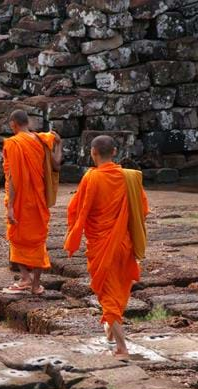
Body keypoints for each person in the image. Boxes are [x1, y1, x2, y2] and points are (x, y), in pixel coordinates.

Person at [64, 135, 149, 360]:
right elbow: (143, 209)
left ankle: (122, 347)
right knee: (117, 291)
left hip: (102, 246)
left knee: (109, 298)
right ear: (114, 152)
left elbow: (77, 210)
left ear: (92, 153)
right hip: (124, 243)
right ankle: (111, 332)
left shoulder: (91, 178)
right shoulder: (129, 178)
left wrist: (73, 235)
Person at [2, 110, 62, 295]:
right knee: (38, 240)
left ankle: (25, 277)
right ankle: (34, 283)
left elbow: (13, 177)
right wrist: (59, 144)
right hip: (38, 199)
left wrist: (11, 206)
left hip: (21, 199)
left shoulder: (13, 143)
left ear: (13, 124)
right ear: (27, 122)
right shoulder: (43, 140)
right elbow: (57, 165)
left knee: (15, 236)